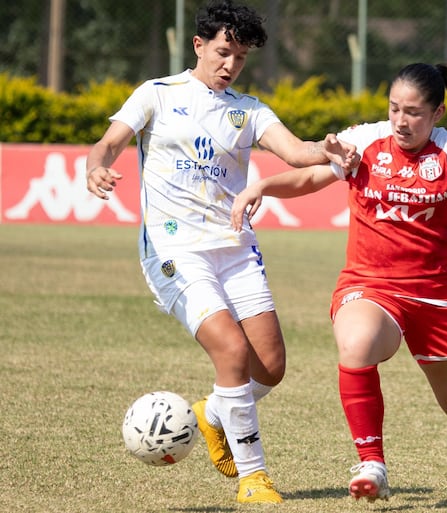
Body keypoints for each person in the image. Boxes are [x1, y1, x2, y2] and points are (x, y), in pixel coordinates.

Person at [231, 62, 447, 504]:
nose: (401, 121)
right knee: (356, 342)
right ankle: (372, 464)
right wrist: (264, 187)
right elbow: (313, 176)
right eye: (394, 110)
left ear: (437, 114)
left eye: (413, 113)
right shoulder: (366, 141)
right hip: (370, 286)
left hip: (437, 295)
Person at [85, 0, 357, 504]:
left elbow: (296, 152)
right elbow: (108, 143)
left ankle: (212, 415)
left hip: (235, 248)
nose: (230, 65)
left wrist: (329, 150)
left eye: (241, 57)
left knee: (269, 367)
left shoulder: (248, 109)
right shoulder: (157, 95)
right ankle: (254, 477)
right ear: (199, 45)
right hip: (174, 250)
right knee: (231, 353)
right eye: (224, 52)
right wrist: (95, 166)